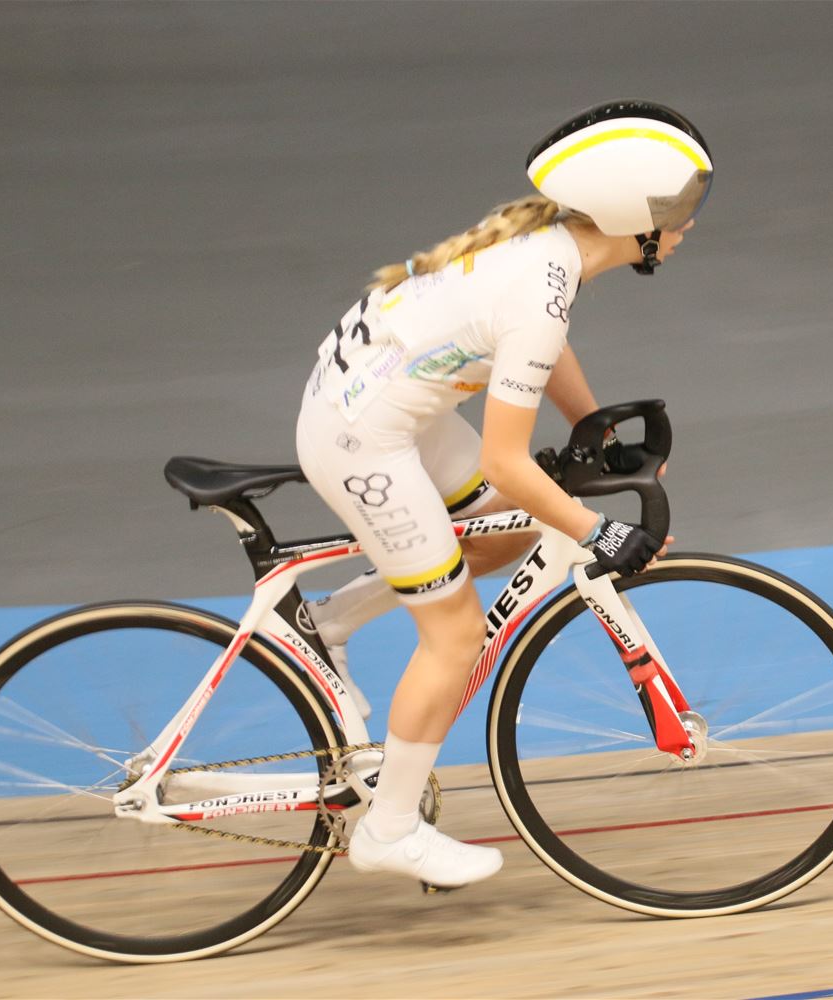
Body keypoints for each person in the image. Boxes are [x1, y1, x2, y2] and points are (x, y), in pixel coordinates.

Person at [294, 100, 713, 889]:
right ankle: (389, 831)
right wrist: (596, 531)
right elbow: (507, 460)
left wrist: (592, 429)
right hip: (364, 440)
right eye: (680, 206)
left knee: (509, 532)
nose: (690, 222)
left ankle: (329, 622)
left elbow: (545, 351)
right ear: (633, 218)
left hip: (387, 411)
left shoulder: (549, 253)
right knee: (454, 637)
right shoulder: (540, 287)